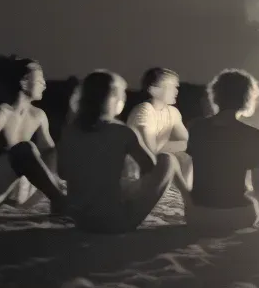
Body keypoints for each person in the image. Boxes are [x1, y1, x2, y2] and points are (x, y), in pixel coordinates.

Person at [58, 69, 191, 233]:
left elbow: (62, 172)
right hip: (115, 221)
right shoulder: (122, 132)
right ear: (114, 99)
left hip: (81, 221)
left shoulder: (70, 131)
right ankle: (190, 202)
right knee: (168, 160)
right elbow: (149, 165)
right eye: (122, 94)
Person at [0, 59, 68, 214]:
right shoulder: (2, 113)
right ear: (24, 83)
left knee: (52, 152)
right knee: (25, 149)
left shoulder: (38, 115)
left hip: (16, 194)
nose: (45, 85)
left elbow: (50, 151)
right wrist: (17, 156)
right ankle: (61, 201)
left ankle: (57, 199)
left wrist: (53, 176)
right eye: (40, 80)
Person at [184, 69, 259, 230]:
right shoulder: (253, 134)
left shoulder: (196, 128)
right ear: (247, 98)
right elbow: (257, 185)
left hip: (196, 216)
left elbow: (191, 171)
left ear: (216, 95)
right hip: (234, 217)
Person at [126, 67, 193, 194]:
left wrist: (165, 146)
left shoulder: (172, 112)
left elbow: (189, 142)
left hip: (158, 161)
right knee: (171, 159)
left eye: (177, 87)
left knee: (186, 159)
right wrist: (174, 146)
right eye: (172, 86)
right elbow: (150, 150)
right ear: (154, 90)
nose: (176, 91)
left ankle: (185, 195)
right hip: (138, 167)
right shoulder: (145, 110)